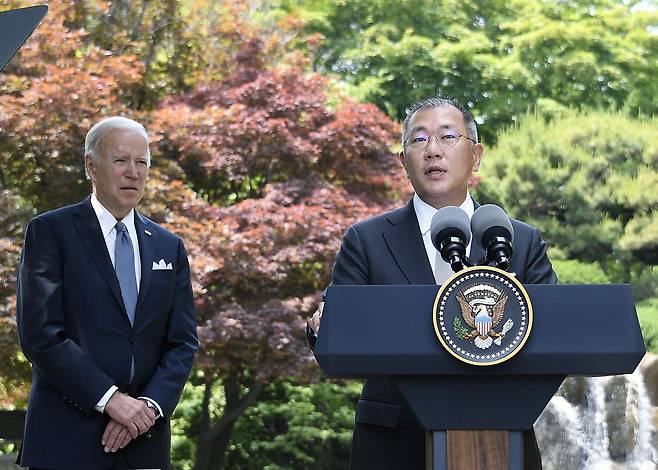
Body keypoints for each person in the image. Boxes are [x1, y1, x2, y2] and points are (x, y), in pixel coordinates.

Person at [308, 97, 556, 469]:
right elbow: (339, 337)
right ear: (403, 160)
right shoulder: (367, 240)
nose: (433, 151)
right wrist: (321, 328)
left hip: (501, 440)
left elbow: (556, 334)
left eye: (447, 136)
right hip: (391, 442)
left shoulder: (519, 240)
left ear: (476, 155)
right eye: (419, 140)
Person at [16, 116, 198, 469]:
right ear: (90, 166)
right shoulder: (51, 232)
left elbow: (183, 342)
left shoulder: (168, 246)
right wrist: (112, 400)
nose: (133, 172)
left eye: (141, 162)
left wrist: (147, 408)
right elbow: (41, 335)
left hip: (145, 443)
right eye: (120, 160)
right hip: (65, 444)